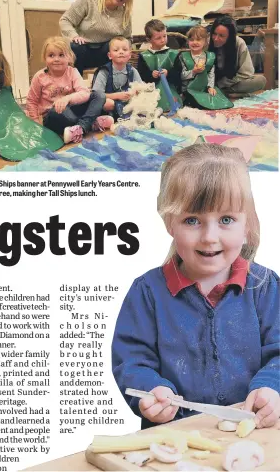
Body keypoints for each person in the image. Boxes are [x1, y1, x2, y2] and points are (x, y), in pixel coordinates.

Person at [112, 143, 279, 430]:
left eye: (226, 219)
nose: (209, 237)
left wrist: (272, 388)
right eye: (192, 220)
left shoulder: (266, 288)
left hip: (253, 435)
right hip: (172, 439)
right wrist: (152, 391)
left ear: (247, 223)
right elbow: (132, 360)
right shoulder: (147, 292)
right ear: (169, 223)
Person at [26, 36, 111, 144]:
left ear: (69, 57)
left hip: (72, 110)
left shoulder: (72, 72)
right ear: (45, 58)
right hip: (53, 116)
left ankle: (81, 127)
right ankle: (90, 123)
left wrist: (67, 98)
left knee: (99, 95)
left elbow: (85, 93)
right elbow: (31, 101)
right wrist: (35, 123)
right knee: (57, 112)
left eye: (61, 55)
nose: (56, 59)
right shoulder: (40, 77)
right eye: (51, 55)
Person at [59, 0, 137, 76]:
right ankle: (76, 83)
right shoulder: (89, 0)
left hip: (106, 54)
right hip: (82, 50)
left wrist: (123, 50)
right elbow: (65, 20)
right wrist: (74, 36)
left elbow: (127, 38)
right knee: (77, 46)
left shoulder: (125, 14)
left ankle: (110, 83)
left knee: (114, 47)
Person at [209, 15, 267, 95]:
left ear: (230, 37)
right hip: (210, 83)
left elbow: (246, 73)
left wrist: (222, 84)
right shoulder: (207, 42)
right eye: (214, 34)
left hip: (231, 83)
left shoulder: (239, 43)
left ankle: (223, 92)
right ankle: (231, 93)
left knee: (261, 80)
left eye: (221, 36)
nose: (215, 38)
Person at [179, 25, 233, 110]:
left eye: (198, 39)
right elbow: (182, 75)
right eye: (191, 40)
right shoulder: (183, 56)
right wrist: (194, 71)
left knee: (218, 99)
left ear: (205, 42)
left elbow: (211, 74)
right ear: (188, 41)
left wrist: (210, 87)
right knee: (195, 102)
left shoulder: (210, 56)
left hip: (204, 88)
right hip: (189, 89)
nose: (195, 42)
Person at [92, 36, 142, 120]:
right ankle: (109, 118)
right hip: (111, 104)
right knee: (107, 103)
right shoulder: (104, 71)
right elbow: (96, 95)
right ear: (109, 55)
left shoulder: (133, 71)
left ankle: (128, 115)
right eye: (116, 50)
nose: (121, 52)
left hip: (128, 103)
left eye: (125, 50)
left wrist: (134, 92)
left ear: (130, 55)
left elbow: (141, 89)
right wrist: (117, 96)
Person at [137, 19, 182, 111]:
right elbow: (141, 75)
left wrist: (168, 73)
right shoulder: (144, 56)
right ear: (149, 39)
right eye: (158, 38)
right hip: (151, 91)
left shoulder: (173, 53)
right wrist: (151, 75)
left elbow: (179, 73)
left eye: (164, 36)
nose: (162, 40)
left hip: (171, 89)